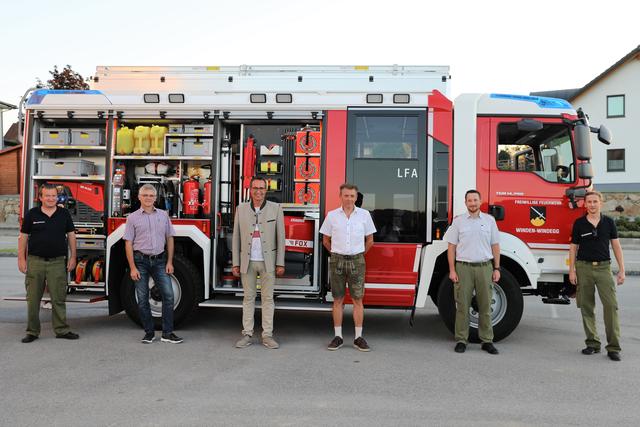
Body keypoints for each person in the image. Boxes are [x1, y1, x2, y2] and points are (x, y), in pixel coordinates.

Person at [18, 183, 79, 343]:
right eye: (47, 196)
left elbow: (71, 236)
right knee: (33, 299)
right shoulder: (32, 214)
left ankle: (62, 330)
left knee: (58, 298)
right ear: (40, 197)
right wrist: (21, 258)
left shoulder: (64, 214)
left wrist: (73, 257)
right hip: (35, 262)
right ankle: (32, 332)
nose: (51, 198)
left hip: (57, 262)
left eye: (54, 196)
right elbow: (23, 237)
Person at [569, 191, 625, 361]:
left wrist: (621, 269)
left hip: (604, 268)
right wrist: (572, 270)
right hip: (583, 268)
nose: (592, 204)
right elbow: (573, 247)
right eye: (589, 202)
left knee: (611, 306)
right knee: (586, 307)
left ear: (601, 203)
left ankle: (613, 347)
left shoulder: (609, 222)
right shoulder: (579, 223)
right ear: (585, 204)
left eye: (595, 201)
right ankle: (592, 343)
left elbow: (616, 246)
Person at [124, 184, 183, 344]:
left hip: (160, 261)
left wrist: (169, 261)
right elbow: (128, 243)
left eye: (151, 195)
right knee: (142, 299)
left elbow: (170, 238)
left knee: (169, 296)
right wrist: (133, 268)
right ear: (139, 197)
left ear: (156, 198)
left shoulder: (164, 215)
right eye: (145, 195)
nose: (148, 198)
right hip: (140, 262)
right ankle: (149, 333)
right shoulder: (132, 218)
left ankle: (167, 333)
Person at [320, 183, 376, 352]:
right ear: (340, 196)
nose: (349, 199)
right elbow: (325, 240)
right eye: (346, 195)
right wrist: (335, 254)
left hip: (357, 260)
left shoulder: (364, 215)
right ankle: (338, 337)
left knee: (357, 299)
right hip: (337, 260)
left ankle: (358, 338)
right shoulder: (332, 216)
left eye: (352, 196)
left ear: (356, 197)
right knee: (337, 299)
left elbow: (370, 240)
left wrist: (359, 255)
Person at [444, 189, 500, 355]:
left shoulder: (490, 221)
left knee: (485, 306)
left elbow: (495, 245)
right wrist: (452, 270)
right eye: (469, 200)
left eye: (475, 200)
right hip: (463, 268)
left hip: (485, 267)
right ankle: (461, 340)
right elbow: (451, 247)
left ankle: (487, 341)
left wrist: (497, 268)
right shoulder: (458, 221)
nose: (473, 203)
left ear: (480, 201)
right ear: (465, 202)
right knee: (462, 306)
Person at [232, 177, 286, 349]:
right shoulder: (240, 209)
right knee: (248, 298)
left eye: (262, 188)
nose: (258, 192)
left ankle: (267, 335)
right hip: (247, 262)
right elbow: (236, 238)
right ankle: (247, 334)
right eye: (255, 188)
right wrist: (236, 262)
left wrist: (280, 263)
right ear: (250, 189)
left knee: (267, 299)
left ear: (266, 190)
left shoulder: (276, 209)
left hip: (268, 262)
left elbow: (281, 238)